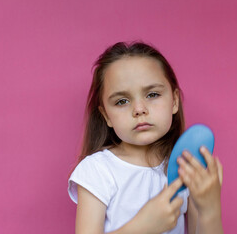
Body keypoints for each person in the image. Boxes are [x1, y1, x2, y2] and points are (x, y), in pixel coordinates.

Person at [68, 41, 224, 234]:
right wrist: (142, 227)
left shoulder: (185, 168)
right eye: (122, 101)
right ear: (107, 115)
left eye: (152, 94)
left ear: (174, 101)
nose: (139, 109)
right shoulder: (97, 171)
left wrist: (210, 210)